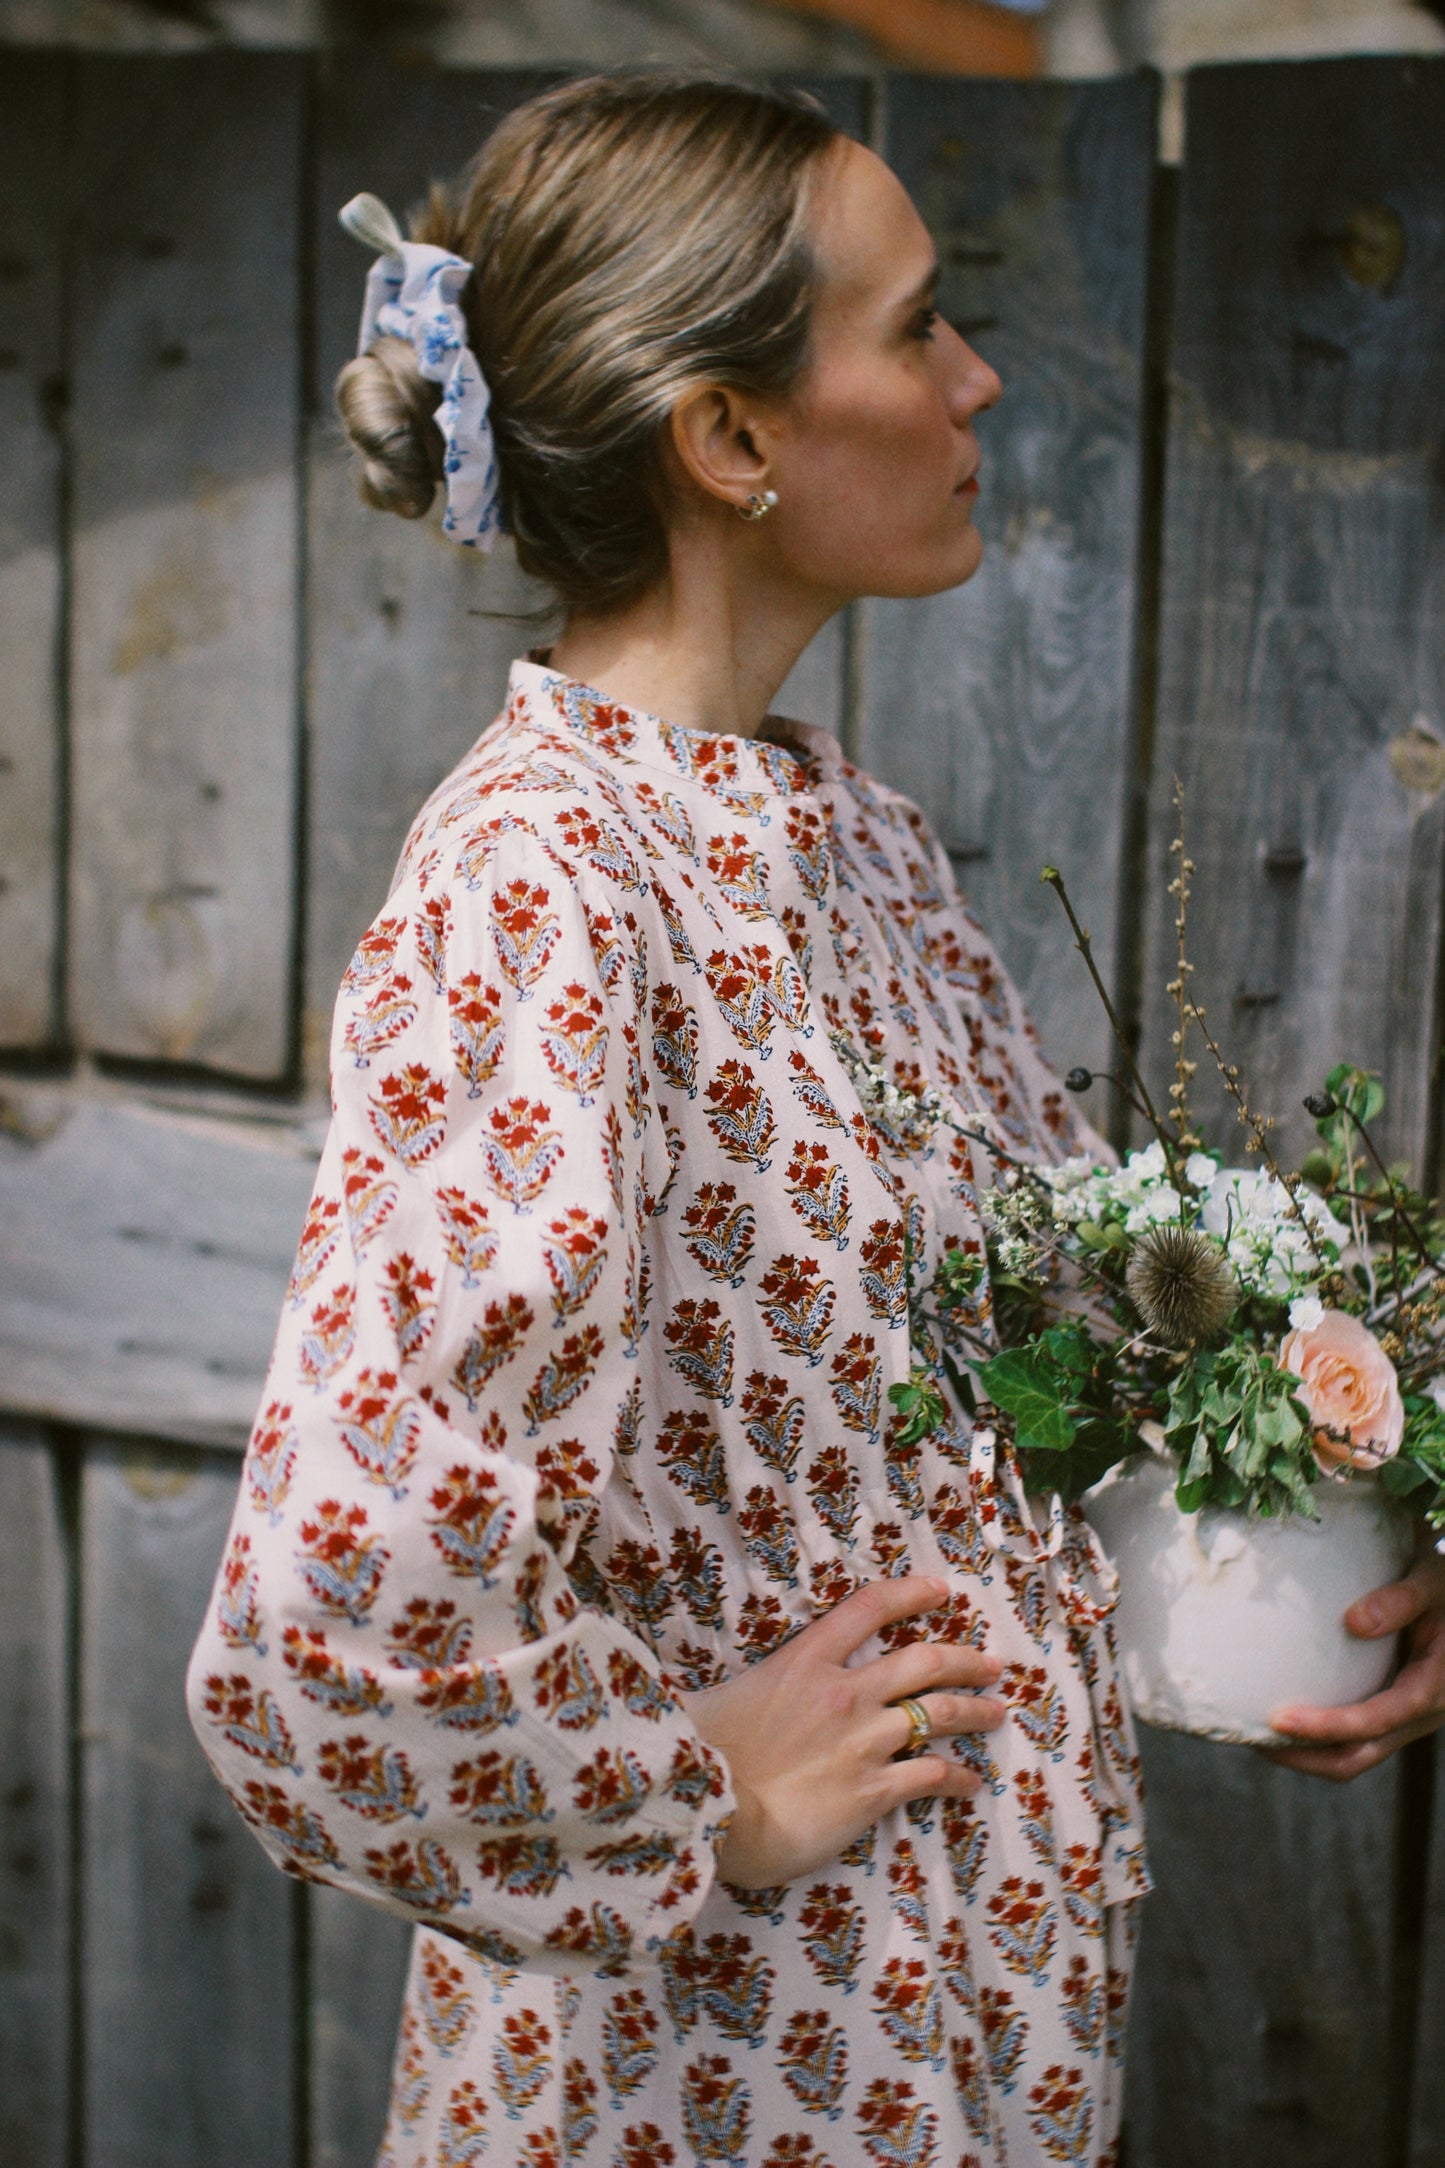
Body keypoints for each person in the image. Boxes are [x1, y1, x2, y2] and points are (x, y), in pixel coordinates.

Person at [186, 69, 1445, 2168]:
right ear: (733, 437)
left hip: (965, 2059)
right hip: (699, 2081)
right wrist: (703, 1794)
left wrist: (1353, 1554)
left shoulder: (850, 842)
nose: (982, 378)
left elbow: (1032, 1414)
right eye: (915, 328)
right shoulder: (542, 888)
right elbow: (330, 1630)